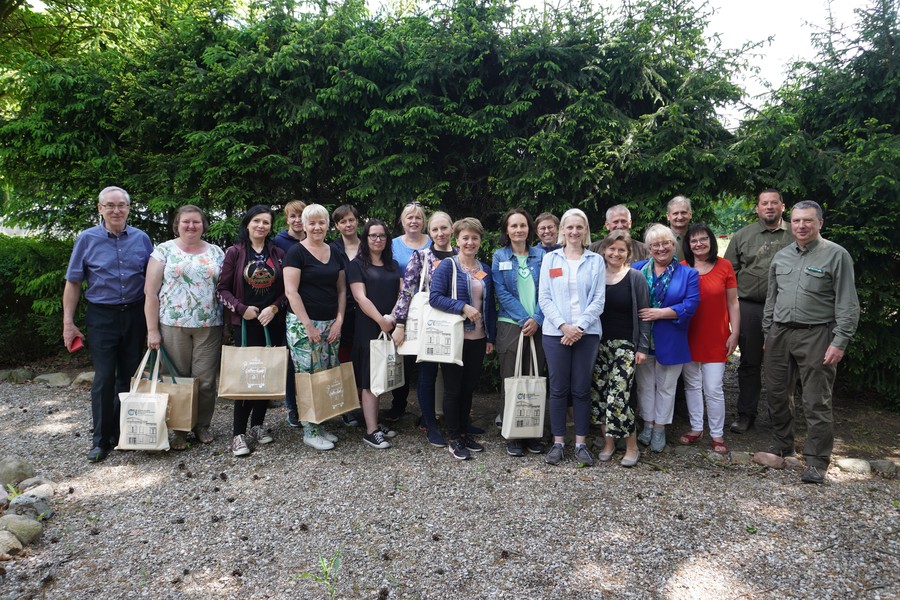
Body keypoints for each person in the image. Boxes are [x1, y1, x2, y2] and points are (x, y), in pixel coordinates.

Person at [762, 200, 859, 484]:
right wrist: (768, 332)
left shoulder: (836, 255)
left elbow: (847, 304)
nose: (801, 226)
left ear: (820, 223)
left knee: (816, 400)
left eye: (807, 221)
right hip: (780, 334)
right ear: (789, 223)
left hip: (817, 334)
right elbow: (772, 298)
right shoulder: (782, 257)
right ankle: (782, 445)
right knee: (777, 393)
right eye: (796, 221)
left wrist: (839, 341)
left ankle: (817, 461)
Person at [63, 186, 153, 463]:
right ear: (100, 208)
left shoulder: (141, 238)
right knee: (103, 378)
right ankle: (100, 440)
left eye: (121, 205)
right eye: (110, 205)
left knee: (127, 377)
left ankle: (121, 433)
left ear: (128, 208)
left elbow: (153, 282)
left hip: (135, 315)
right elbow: (74, 281)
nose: (116, 210)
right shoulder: (87, 239)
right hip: (102, 316)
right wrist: (68, 322)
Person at [144, 205, 225, 450]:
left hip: (209, 325)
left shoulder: (216, 252)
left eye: (196, 222)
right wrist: (152, 330)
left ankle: (202, 425)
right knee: (176, 380)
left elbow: (224, 288)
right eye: (186, 222)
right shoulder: (164, 250)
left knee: (206, 381)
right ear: (177, 224)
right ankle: (179, 430)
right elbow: (150, 292)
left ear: (204, 225)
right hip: (172, 324)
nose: (191, 226)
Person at [217, 205, 288, 457]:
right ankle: (238, 434)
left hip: (272, 322)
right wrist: (240, 308)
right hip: (246, 324)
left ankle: (257, 425)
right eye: (256, 221)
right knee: (248, 377)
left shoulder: (278, 253)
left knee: (267, 375)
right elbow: (222, 289)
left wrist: (274, 308)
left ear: (270, 227)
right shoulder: (234, 253)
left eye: (266, 222)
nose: (261, 226)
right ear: (247, 224)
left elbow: (287, 291)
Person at [538, 208, 606, 467]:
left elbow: (599, 300)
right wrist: (564, 326)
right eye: (570, 227)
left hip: (587, 334)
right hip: (556, 334)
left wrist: (578, 327)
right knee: (557, 389)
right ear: (562, 231)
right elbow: (544, 297)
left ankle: (580, 444)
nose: (575, 232)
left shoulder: (595, 261)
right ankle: (557, 443)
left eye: (580, 227)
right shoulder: (551, 260)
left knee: (580, 389)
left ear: (586, 230)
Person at [724, 189, 793, 434]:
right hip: (751, 307)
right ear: (757, 208)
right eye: (764, 203)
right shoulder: (743, 236)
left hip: (786, 310)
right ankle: (746, 414)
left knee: (782, 365)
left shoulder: (796, 234)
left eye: (774, 203)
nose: (769, 207)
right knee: (750, 363)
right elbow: (729, 273)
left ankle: (780, 418)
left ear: (783, 207)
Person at [429, 218, 496, 460]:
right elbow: (434, 298)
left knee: (468, 388)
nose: (470, 242)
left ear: (480, 241)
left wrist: (490, 337)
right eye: (465, 238)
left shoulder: (485, 269)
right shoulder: (448, 266)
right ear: (458, 240)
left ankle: (464, 431)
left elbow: (490, 307)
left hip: (478, 338)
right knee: (453, 389)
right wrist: (462, 307)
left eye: (474, 238)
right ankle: (454, 437)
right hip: (454, 338)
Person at [282, 204, 346, 451]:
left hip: (331, 324)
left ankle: (321, 423)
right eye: (312, 223)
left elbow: (341, 289)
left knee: (326, 374)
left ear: (327, 225)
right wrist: (308, 325)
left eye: (321, 222)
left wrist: (339, 321)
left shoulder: (335, 252)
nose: (317, 227)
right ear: (304, 226)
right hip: (302, 325)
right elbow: (291, 291)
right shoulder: (296, 253)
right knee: (307, 376)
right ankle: (309, 430)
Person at [392, 211, 457, 447]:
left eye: (444, 228)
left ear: (452, 229)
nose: (440, 233)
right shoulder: (422, 257)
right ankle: (430, 424)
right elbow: (407, 291)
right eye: (435, 229)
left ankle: (455, 421)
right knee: (428, 374)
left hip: (456, 323)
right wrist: (400, 324)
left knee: (453, 376)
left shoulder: (461, 255)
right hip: (429, 324)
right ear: (430, 233)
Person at [632, 224, 699, 453]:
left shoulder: (689, 273)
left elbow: (690, 305)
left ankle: (660, 428)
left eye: (665, 243)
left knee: (667, 387)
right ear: (648, 248)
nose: (661, 248)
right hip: (641, 340)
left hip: (671, 338)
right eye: (655, 245)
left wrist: (660, 313)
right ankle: (648, 424)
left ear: (674, 245)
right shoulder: (637, 269)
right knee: (644, 386)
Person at [591, 230, 651, 468]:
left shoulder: (635, 277)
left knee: (619, 396)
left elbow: (644, 315)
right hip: (597, 344)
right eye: (612, 249)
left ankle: (632, 446)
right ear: (604, 250)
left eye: (621, 250)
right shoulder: (595, 276)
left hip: (625, 346)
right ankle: (608, 443)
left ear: (628, 253)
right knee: (599, 396)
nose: (615, 253)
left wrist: (642, 347)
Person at [678, 223, 739, 454]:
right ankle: (696, 428)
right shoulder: (682, 268)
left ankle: (717, 434)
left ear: (711, 241)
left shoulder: (724, 266)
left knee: (713, 387)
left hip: (716, 336)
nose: (699, 243)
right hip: (688, 336)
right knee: (692, 385)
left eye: (703, 239)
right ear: (688, 245)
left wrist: (735, 332)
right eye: (694, 241)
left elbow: (733, 302)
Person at [491, 208, 546, 458]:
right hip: (510, 325)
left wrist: (537, 318)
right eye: (513, 226)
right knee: (511, 379)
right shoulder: (499, 256)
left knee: (536, 377)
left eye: (522, 225)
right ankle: (513, 434)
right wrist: (525, 319)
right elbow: (501, 292)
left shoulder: (542, 255)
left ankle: (534, 433)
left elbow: (549, 291)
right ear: (506, 230)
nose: (518, 230)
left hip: (540, 325)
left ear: (529, 228)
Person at [349, 219, 403, 449]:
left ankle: (376, 422)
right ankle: (371, 431)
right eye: (373, 236)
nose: (378, 240)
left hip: (391, 325)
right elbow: (360, 297)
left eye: (382, 236)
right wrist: (381, 320)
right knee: (370, 379)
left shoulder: (393, 265)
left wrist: (393, 318)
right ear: (365, 238)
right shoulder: (357, 265)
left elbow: (403, 293)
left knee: (384, 374)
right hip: (369, 327)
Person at [388, 202, 431, 422]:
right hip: (402, 309)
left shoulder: (432, 241)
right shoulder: (393, 245)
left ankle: (428, 411)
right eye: (409, 217)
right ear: (402, 221)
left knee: (427, 359)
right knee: (402, 359)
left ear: (424, 221)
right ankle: (399, 405)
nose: (414, 221)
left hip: (429, 310)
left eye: (418, 217)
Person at [272, 200, 307, 430]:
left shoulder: (315, 238)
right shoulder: (278, 242)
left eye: (300, 216)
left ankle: (312, 406)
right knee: (290, 362)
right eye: (292, 216)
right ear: (287, 219)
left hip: (313, 307)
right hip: (286, 308)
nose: (297, 220)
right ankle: (292, 408)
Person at [330, 204, 364, 427]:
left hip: (365, 309)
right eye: (343, 221)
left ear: (357, 221)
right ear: (336, 226)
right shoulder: (332, 248)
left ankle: (364, 405)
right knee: (343, 359)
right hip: (341, 309)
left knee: (362, 359)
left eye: (351, 220)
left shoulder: (368, 245)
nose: (348, 224)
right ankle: (346, 407)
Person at [666, 196, 693, 261]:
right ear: (668, 216)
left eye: (683, 213)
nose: (680, 217)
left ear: (690, 214)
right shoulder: (661, 239)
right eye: (675, 213)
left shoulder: (696, 238)